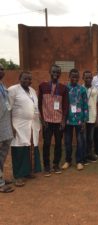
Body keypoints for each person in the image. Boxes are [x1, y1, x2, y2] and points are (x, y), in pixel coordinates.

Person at [8, 71, 42, 187]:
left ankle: (27, 172)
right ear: (19, 78)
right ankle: (18, 176)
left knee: (29, 148)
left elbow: (35, 107)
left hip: (32, 125)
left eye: (29, 79)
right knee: (19, 150)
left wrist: (39, 123)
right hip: (18, 125)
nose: (27, 81)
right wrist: (10, 126)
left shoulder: (32, 91)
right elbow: (8, 109)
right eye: (24, 79)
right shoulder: (13, 90)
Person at [38, 64, 68, 177]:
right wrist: (42, 119)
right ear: (50, 72)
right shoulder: (42, 86)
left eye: (58, 72)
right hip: (47, 121)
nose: (56, 74)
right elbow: (39, 103)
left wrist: (63, 120)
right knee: (46, 144)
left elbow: (65, 106)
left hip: (59, 121)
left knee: (59, 144)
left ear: (60, 74)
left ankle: (56, 164)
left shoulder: (63, 88)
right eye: (54, 71)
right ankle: (46, 166)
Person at [62, 69, 88, 171]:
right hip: (68, 120)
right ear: (69, 76)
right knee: (67, 141)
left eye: (76, 77)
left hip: (79, 120)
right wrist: (63, 119)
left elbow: (85, 105)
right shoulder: (65, 88)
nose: (74, 79)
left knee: (80, 141)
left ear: (79, 78)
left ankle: (79, 161)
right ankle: (68, 160)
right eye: (73, 76)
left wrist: (84, 120)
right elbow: (62, 104)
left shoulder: (82, 90)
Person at [0, 63, 14, 193]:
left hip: (5, 124)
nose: (1, 71)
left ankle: (1, 177)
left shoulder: (3, 86)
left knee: (3, 153)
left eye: (2, 69)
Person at [82, 70, 98, 162]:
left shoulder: (95, 90)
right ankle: (84, 155)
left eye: (90, 77)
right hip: (83, 118)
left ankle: (90, 154)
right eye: (86, 77)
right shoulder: (80, 89)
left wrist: (97, 118)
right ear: (83, 78)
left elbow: (97, 104)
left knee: (90, 137)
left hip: (92, 116)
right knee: (84, 138)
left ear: (92, 78)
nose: (88, 79)